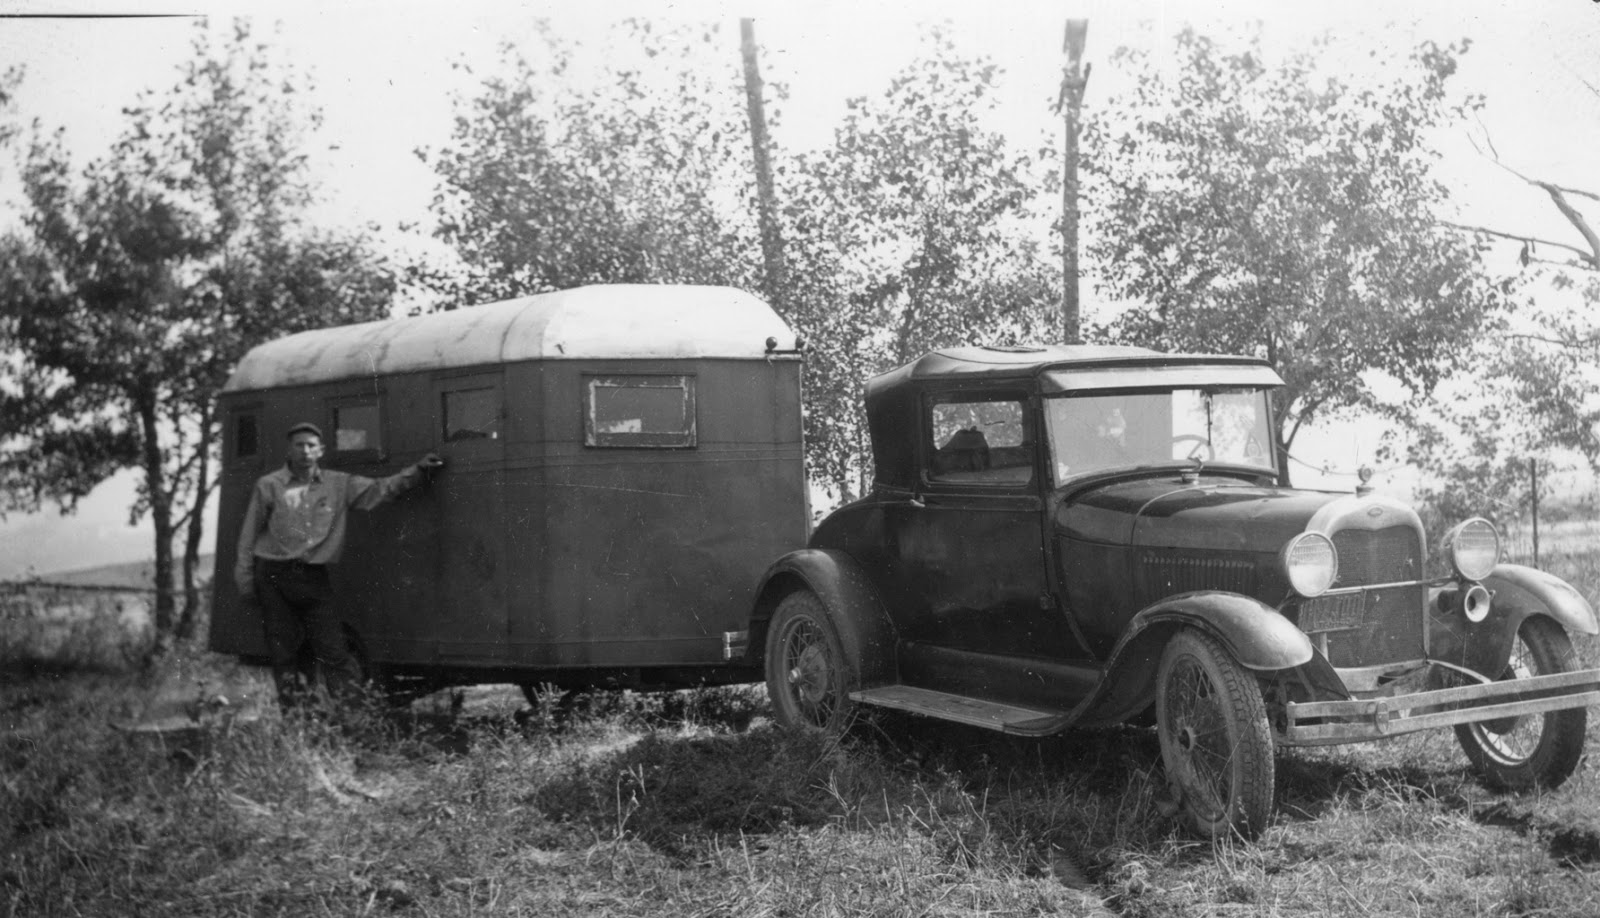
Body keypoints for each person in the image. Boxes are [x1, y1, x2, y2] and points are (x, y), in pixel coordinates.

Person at [234, 421, 444, 708]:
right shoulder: (269, 485)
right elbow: (248, 536)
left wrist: (418, 471)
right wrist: (245, 581)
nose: (305, 451)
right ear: (289, 450)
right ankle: (298, 724)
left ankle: (352, 720)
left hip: (312, 576)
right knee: (285, 654)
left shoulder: (339, 483)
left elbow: (381, 490)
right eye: (299, 445)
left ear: (320, 451)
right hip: (273, 578)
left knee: (334, 650)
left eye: (311, 445)